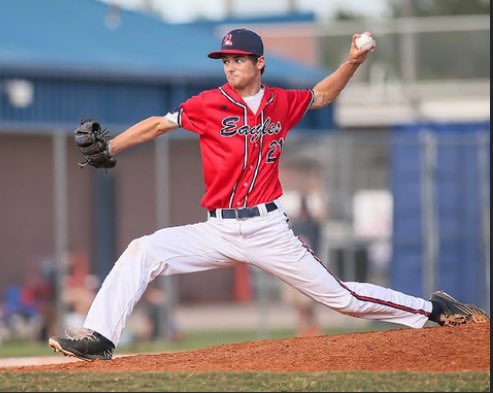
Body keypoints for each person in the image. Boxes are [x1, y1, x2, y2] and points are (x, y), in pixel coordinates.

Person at [48, 28, 489, 361]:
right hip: (217, 228)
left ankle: (432, 309)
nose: (230, 66)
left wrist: (352, 61)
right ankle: (101, 337)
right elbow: (160, 123)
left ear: (259, 63)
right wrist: (111, 146)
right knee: (143, 250)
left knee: (343, 300)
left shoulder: (280, 102)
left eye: (238, 59)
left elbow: (320, 95)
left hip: (267, 228)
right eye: (225, 60)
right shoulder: (207, 104)